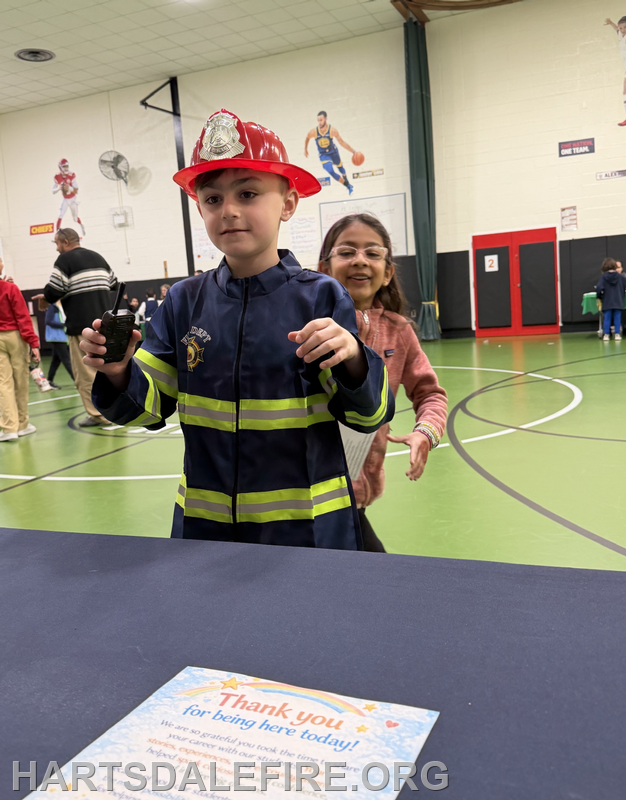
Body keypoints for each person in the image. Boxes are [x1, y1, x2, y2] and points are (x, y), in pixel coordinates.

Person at [80, 108, 394, 549]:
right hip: (206, 531)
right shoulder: (183, 303)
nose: (228, 210)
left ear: (287, 203)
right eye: (212, 199)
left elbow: (367, 415)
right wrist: (117, 371)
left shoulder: (321, 298)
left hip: (307, 533)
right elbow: (149, 408)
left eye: (248, 194)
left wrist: (355, 361)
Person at [319, 213, 447, 551]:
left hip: (355, 489)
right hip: (301, 489)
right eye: (347, 251)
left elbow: (430, 393)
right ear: (324, 268)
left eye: (373, 253)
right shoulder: (304, 323)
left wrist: (426, 433)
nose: (360, 260)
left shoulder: (399, 330)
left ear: (388, 272)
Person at [34, 228, 117, 426]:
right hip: (105, 326)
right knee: (107, 371)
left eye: (57, 244)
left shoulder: (64, 261)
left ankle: (98, 414)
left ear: (65, 242)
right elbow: (112, 283)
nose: (56, 249)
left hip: (82, 328)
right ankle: (113, 410)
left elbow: (54, 289)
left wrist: (45, 300)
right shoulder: (98, 258)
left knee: (86, 374)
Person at [0, 257, 40, 441]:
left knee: (3, 383)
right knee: (21, 380)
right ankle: (23, 424)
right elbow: (23, 317)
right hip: (15, 336)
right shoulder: (11, 289)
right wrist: (33, 343)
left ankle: (9, 428)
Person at [304, 111, 356, 194]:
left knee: (341, 169)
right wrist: (305, 149)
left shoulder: (332, 130)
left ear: (326, 119)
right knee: (330, 170)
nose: (320, 122)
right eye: (318, 120)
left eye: (321, 120)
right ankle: (348, 185)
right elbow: (307, 138)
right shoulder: (314, 132)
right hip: (324, 155)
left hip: (333, 152)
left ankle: (345, 177)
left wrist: (353, 151)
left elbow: (341, 142)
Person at [45, 300, 74, 389]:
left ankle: (49, 381)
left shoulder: (61, 307)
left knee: (56, 361)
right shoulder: (53, 307)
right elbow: (48, 321)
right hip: (56, 338)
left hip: (62, 337)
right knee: (67, 360)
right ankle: (77, 380)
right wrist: (65, 325)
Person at [53, 158, 85, 235]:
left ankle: (81, 226)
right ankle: (57, 233)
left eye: (67, 166)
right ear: (60, 167)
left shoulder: (71, 175)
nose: (66, 168)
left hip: (73, 199)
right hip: (65, 199)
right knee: (61, 214)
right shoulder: (57, 177)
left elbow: (76, 190)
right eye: (64, 166)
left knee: (75, 218)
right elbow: (53, 191)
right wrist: (59, 188)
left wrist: (69, 188)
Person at [596, 257, 626, 341]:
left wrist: (599, 296)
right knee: (617, 317)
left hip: (607, 301)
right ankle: (617, 334)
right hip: (618, 300)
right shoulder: (620, 277)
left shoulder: (603, 277)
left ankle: (606, 335)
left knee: (607, 318)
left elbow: (598, 288)